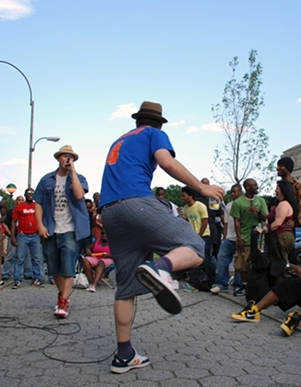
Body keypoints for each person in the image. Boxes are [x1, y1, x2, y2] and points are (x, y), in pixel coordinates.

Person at [99, 101, 224, 374]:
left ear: (137, 121)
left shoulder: (119, 141)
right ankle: (159, 269)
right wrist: (202, 186)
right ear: (159, 123)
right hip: (136, 203)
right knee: (195, 245)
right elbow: (166, 162)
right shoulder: (153, 133)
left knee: (126, 286)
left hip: (109, 212)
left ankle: (124, 355)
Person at [34, 144, 90, 319]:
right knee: (54, 268)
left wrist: (72, 172)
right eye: (64, 156)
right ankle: (63, 297)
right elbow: (38, 203)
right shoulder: (46, 180)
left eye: (70, 157)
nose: (67, 159)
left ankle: (63, 301)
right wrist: (40, 225)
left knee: (67, 266)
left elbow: (79, 195)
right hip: (51, 228)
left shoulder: (79, 178)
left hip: (71, 229)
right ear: (58, 158)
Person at [230, 178, 268, 296]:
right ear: (247, 187)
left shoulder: (261, 201)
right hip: (244, 238)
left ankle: (258, 286)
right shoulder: (238, 202)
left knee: (258, 263)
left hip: (258, 239)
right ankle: (246, 286)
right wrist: (239, 239)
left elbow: (265, 218)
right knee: (242, 265)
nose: (257, 187)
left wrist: (258, 211)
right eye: (254, 185)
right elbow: (236, 221)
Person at [210, 184, 243, 294]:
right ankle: (222, 283)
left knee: (239, 263)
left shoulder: (244, 204)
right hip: (229, 237)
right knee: (221, 258)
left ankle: (238, 285)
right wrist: (224, 236)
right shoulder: (229, 205)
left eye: (235, 192)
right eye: (231, 192)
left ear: (240, 192)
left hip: (241, 239)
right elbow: (226, 222)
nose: (232, 194)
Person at [265, 180, 299, 284]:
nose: (275, 190)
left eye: (277, 188)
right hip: (281, 236)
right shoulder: (280, 203)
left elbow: (278, 223)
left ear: (283, 190)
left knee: (279, 265)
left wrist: (265, 230)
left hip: (280, 237)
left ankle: (281, 290)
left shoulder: (283, 204)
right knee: (280, 263)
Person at [180, 186, 213, 292]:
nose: (182, 198)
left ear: (191, 196)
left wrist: (199, 235)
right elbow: (186, 223)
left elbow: (205, 222)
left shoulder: (200, 206)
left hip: (204, 236)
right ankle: (194, 284)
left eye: (184, 196)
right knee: (194, 260)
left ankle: (213, 281)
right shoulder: (185, 209)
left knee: (206, 259)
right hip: (193, 238)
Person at [11, 188, 45, 289]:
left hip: (35, 235)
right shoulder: (19, 207)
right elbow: (13, 221)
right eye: (29, 193)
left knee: (36, 258)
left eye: (32, 193)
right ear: (25, 194)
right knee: (19, 258)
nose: (31, 194)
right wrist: (13, 236)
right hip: (22, 235)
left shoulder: (37, 206)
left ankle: (37, 278)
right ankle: (17, 280)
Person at [81, 216, 113, 292]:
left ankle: (94, 284)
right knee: (85, 260)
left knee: (101, 262)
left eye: (105, 233)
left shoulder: (113, 242)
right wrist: (88, 251)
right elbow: (88, 248)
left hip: (108, 258)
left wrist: (108, 255)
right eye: (102, 233)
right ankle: (91, 283)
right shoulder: (98, 240)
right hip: (96, 257)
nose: (103, 235)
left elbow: (118, 254)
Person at [276, 157, 301, 227]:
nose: (277, 168)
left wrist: (294, 221)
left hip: (291, 224)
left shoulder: (295, 184)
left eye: (280, 166)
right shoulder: (279, 184)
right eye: (277, 166)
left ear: (287, 168)